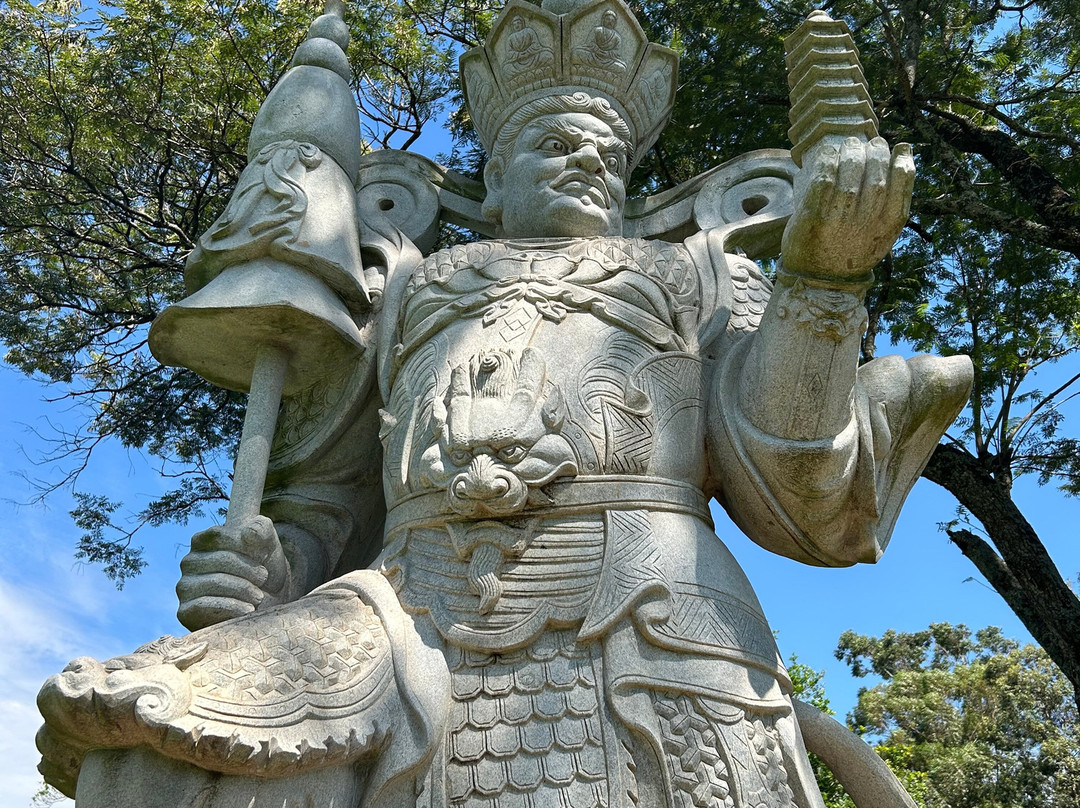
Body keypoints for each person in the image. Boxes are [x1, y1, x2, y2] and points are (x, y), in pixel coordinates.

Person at [37, 1, 972, 806]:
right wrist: (268, 572)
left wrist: (821, 279)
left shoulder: (699, 275)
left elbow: (798, 475)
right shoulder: (410, 290)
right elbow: (329, 501)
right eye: (555, 143)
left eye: (607, 153)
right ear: (493, 172)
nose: (587, 163)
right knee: (142, 742)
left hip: (651, 612)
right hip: (404, 608)